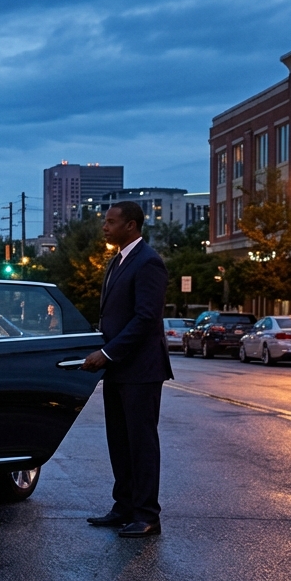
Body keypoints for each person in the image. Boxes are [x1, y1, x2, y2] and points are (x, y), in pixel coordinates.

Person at [81, 201, 173, 539]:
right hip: (118, 370)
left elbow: (146, 318)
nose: (105, 227)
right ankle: (124, 508)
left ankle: (147, 515)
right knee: (119, 442)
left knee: (141, 444)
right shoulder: (117, 261)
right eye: (105, 221)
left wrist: (107, 353)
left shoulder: (149, 262)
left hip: (141, 371)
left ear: (131, 226)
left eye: (111, 222)